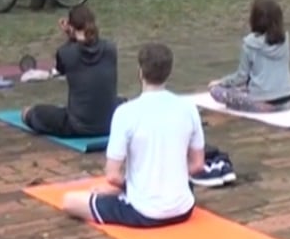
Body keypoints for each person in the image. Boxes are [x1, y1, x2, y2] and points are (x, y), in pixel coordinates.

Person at [62, 43, 206, 227]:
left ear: (140, 72)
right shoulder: (189, 108)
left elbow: (112, 176)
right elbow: (198, 165)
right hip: (183, 209)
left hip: (144, 212)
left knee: (69, 201)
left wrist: (129, 187)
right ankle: (138, 190)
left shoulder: (126, 113)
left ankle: (134, 192)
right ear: (168, 72)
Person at [22, 5, 122, 137]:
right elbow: (91, 44)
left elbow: (62, 68)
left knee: (29, 113)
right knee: (120, 101)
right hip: (111, 123)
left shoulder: (66, 52)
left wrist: (69, 35)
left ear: (71, 26)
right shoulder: (111, 48)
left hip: (78, 125)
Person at [208, 0, 290, 112]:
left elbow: (241, 77)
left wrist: (221, 82)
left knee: (216, 91)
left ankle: (244, 104)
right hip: (287, 100)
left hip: (263, 103)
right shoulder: (285, 39)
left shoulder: (249, 43)